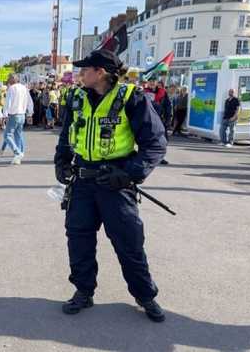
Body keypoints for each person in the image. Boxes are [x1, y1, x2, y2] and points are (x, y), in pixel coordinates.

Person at [54, 49, 167, 322]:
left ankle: (145, 295)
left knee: (129, 242)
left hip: (115, 184)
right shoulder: (76, 97)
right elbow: (67, 135)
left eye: (85, 69)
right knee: (78, 239)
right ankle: (83, 291)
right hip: (81, 183)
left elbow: (155, 143)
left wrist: (129, 174)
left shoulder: (131, 98)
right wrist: (61, 161)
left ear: (100, 72)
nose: (79, 74)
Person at [3, 74, 33, 165]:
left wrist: (5, 114)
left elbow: (8, 102)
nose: (8, 80)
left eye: (9, 78)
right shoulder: (24, 88)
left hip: (14, 114)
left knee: (7, 135)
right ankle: (19, 156)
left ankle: (17, 152)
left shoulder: (11, 88)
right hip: (22, 114)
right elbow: (29, 102)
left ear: (13, 79)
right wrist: (30, 113)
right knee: (18, 135)